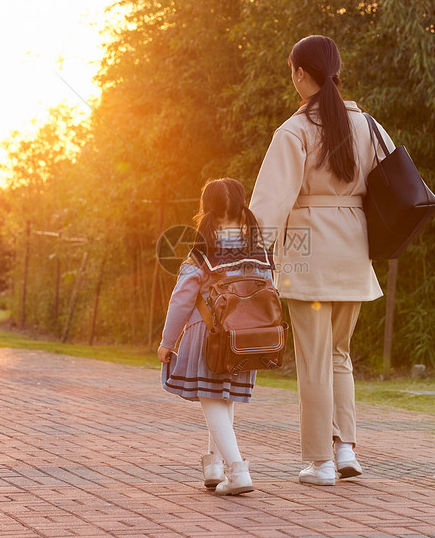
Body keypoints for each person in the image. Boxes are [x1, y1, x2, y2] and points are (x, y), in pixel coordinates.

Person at [249, 35, 396, 485]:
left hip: (307, 255)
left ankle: (320, 461)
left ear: (299, 73)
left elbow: (270, 204)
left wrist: (250, 257)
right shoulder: (368, 126)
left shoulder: (293, 131)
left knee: (313, 358)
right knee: (339, 354)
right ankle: (346, 447)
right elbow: (396, 184)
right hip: (353, 252)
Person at [157, 178, 273, 495]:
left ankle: (238, 471)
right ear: (242, 208)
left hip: (207, 337)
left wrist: (167, 343)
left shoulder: (201, 256)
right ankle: (215, 468)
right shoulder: (260, 254)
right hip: (246, 341)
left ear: (205, 211)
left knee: (211, 399)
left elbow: (180, 300)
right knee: (223, 397)